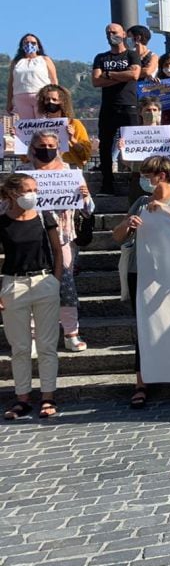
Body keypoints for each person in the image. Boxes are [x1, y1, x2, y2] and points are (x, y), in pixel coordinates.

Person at [113, 156, 170, 408]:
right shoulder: (141, 202)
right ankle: (141, 382)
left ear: (161, 175)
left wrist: (168, 214)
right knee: (144, 328)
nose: (143, 179)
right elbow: (117, 236)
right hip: (140, 272)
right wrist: (128, 225)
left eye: (146, 174)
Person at [21, 129, 95, 353]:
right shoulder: (23, 174)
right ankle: (33, 336)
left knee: (65, 283)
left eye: (51, 147)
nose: (47, 151)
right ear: (33, 149)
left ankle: (71, 333)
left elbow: (89, 209)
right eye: (42, 147)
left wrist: (85, 197)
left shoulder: (70, 172)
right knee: (31, 286)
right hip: (30, 238)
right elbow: (7, 207)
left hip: (63, 236)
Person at [0, 173, 63, 420]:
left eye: (35, 189)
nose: (33, 194)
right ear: (14, 194)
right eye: (28, 190)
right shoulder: (2, 222)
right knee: (20, 347)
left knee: (47, 345)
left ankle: (48, 396)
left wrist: (56, 280)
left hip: (44, 281)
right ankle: (22, 398)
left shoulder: (44, 217)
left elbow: (58, 250)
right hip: (14, 284)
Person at [92, 23, 146, 195]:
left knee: (134, 146)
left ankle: (137, 182)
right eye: (107, 32)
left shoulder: (132, 54)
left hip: (129, 105)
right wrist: (121, 75)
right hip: (108, 107)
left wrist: (108, 74)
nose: (111, 35)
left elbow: (134, 75)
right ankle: (107, 183)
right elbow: (96, 81)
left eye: (114, 32)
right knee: (105, 147)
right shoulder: (101, 57)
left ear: (123, 34)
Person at [37, 84, 92, 169]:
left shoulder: (75, 124)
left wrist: (72, 139)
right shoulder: (37, 126)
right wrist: (19, 137)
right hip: (45, 169)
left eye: (54, 99)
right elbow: (26, 158)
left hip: (69, 169)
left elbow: (86, 155)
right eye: (47, 99)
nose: (50, 102)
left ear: (62, 102)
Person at [7, 33, 58, 118]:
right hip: (20, 97)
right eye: (26, 43)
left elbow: (54, 79)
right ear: (22, 46)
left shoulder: (45, 59)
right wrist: (9, 101)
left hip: (41, 96)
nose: (29, 45)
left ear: (38, 46)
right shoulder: (16, 62)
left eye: (33, 43)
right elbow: (11, 82)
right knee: (28, 126)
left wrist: (55, 97)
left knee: (42, 124)